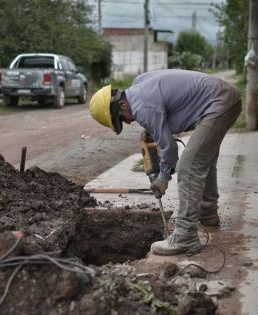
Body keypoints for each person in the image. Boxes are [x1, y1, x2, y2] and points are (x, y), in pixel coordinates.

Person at [89, 69, 242, 256]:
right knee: (203, 161)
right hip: (223, 99)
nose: (128, 123)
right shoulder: (138, 85)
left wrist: (163, 178)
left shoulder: (142, 107)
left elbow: (170, 148)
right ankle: (208, 215)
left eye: (121, 119)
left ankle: (186, 236)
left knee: (189, 166)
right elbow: (166, 107)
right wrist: (155, 127)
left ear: (122, 104)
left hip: (218, 104)